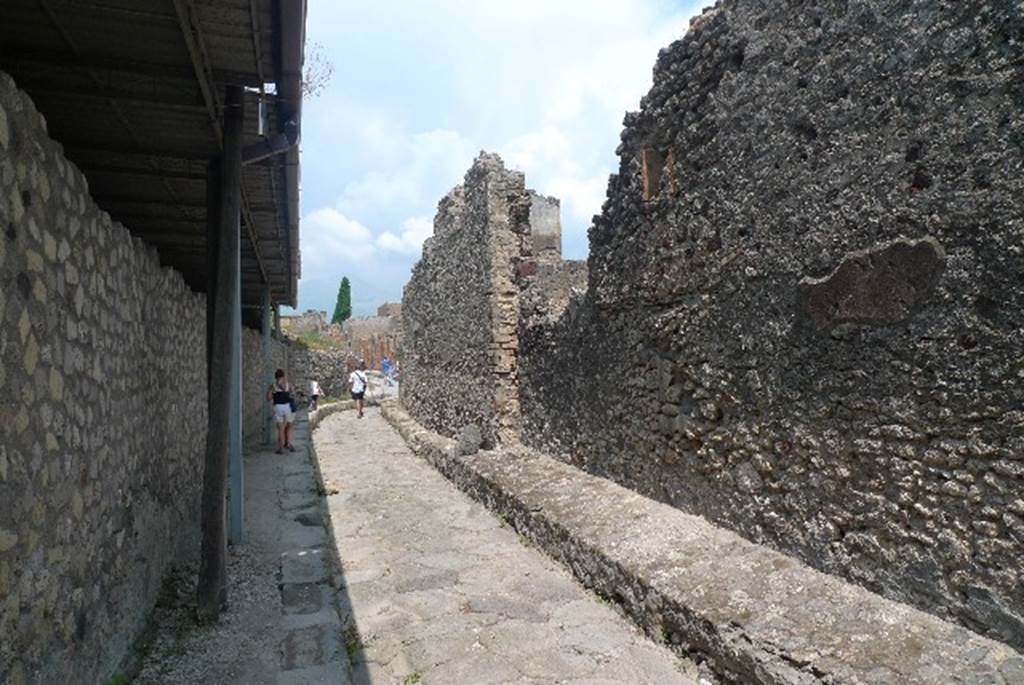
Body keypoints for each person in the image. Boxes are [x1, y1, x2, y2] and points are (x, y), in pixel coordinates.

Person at [267, 369, 295, 454]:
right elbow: (292, 394)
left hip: (278, 407)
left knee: (280, 429)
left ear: (275, 377)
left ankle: (281, 448)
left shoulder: (273, 386)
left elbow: (269, 398)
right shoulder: (288, 384)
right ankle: (289, 444)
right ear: (283, 376)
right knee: (289, 426)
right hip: (287, 407)